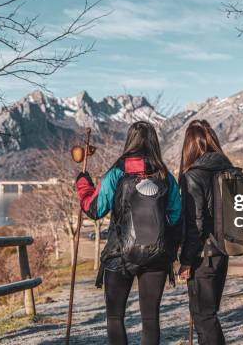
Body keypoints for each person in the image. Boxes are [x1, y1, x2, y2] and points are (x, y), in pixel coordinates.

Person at [75, 121, 181, 345]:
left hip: (119, 255)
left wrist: (83, 183)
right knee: (150, 318)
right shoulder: (164, 176)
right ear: (154, 142)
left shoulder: (116, 173)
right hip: (156, 256)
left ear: (129, 141)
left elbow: (94, 209)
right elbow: (175, 217)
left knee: (115, 317)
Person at [178, 119, 233, 345]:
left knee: (203, 317)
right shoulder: (229, 169)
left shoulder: (192, 176)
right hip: (224, 251)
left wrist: (186, 260)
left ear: (189, 146)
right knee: (209, 315)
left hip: (204, 257)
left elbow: (196, 224)